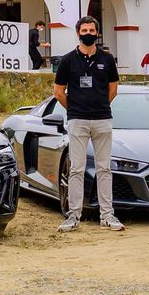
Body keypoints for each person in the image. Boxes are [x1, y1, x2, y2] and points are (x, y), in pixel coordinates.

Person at [52, 15, 123, 233]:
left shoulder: (107, 59)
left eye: (92, 30)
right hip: (78, 120)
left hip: (102, 119)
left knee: (104, 169)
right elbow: (58, 92)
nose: (88, 34)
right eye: (84, 31)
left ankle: (107, 215)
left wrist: (99, 105)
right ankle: (73, 216)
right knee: (76, 169)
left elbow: (113, 89)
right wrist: (75, 108)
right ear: (78, 33)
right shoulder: (67, 60)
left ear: (97, 33)